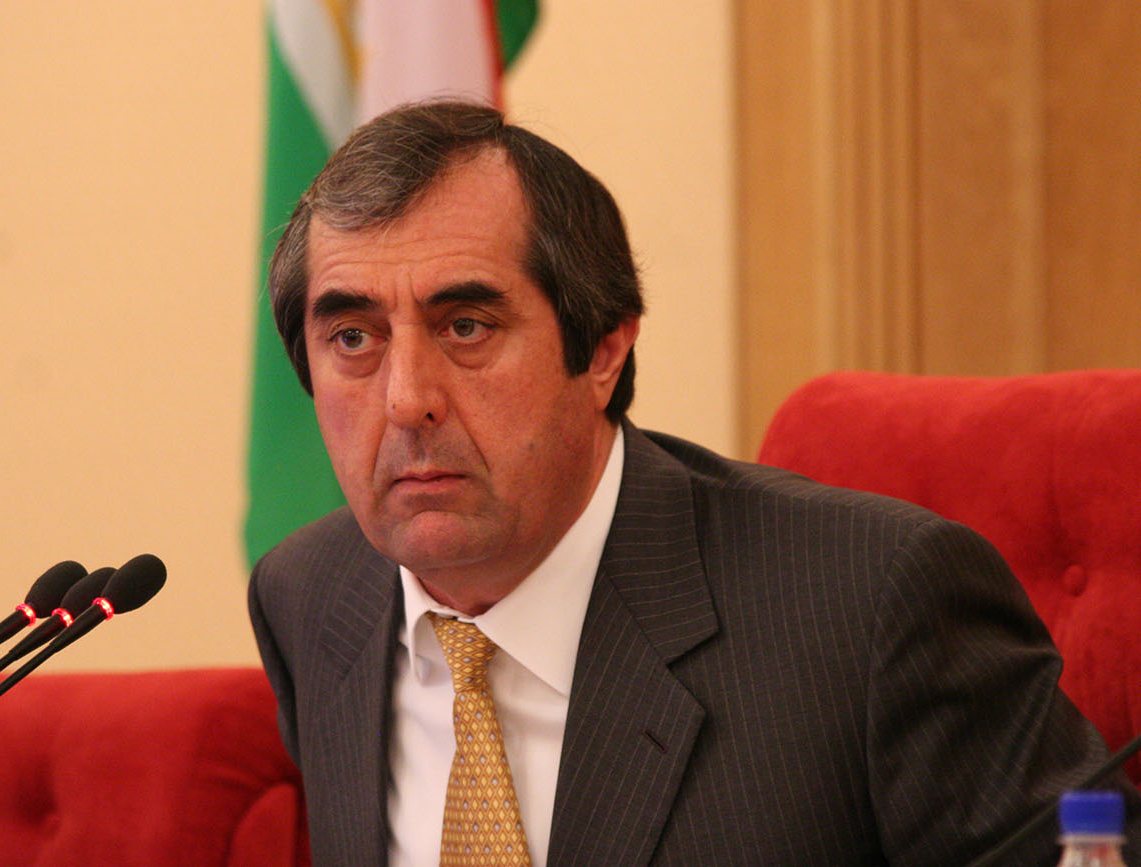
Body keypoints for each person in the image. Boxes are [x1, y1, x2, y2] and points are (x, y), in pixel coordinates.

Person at [248, 100, 1140, 866]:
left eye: (467, 326)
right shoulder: (310, 598)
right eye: (353, 338)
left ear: (603, 350)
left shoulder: (871, 611)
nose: (406, 399)